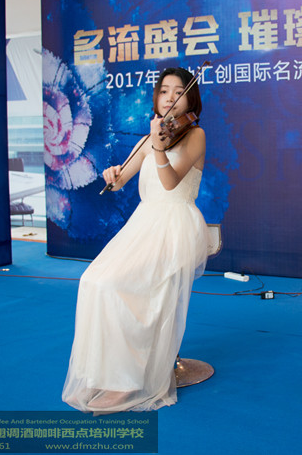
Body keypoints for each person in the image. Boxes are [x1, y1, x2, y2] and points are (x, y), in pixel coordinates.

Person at [62, 67, 208, 414]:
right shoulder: (148, 139)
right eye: (164, 91)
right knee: (94, 282)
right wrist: (111, 175)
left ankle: (129, 379)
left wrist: (157, 147)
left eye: (178, 92)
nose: (170, 98)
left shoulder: (195, 135)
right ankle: (107, 373)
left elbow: (170, 183)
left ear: (190, 99)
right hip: (144, 224)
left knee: (124, 290)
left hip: (175, 225)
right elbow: (118, 182)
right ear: (156, 98)